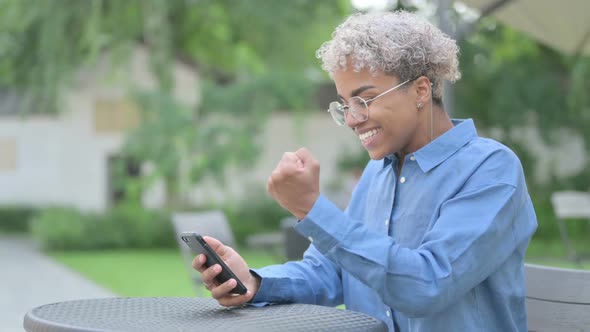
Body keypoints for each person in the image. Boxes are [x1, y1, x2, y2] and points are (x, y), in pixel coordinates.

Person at [193, 10, 538, 332]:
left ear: (420, 90)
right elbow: (333, 272)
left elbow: (428, 284)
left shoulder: (491, 170)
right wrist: (255, 282)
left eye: (365, 99)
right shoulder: (380, 173)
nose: (353, 119)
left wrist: (311, 209)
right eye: (344, 105)